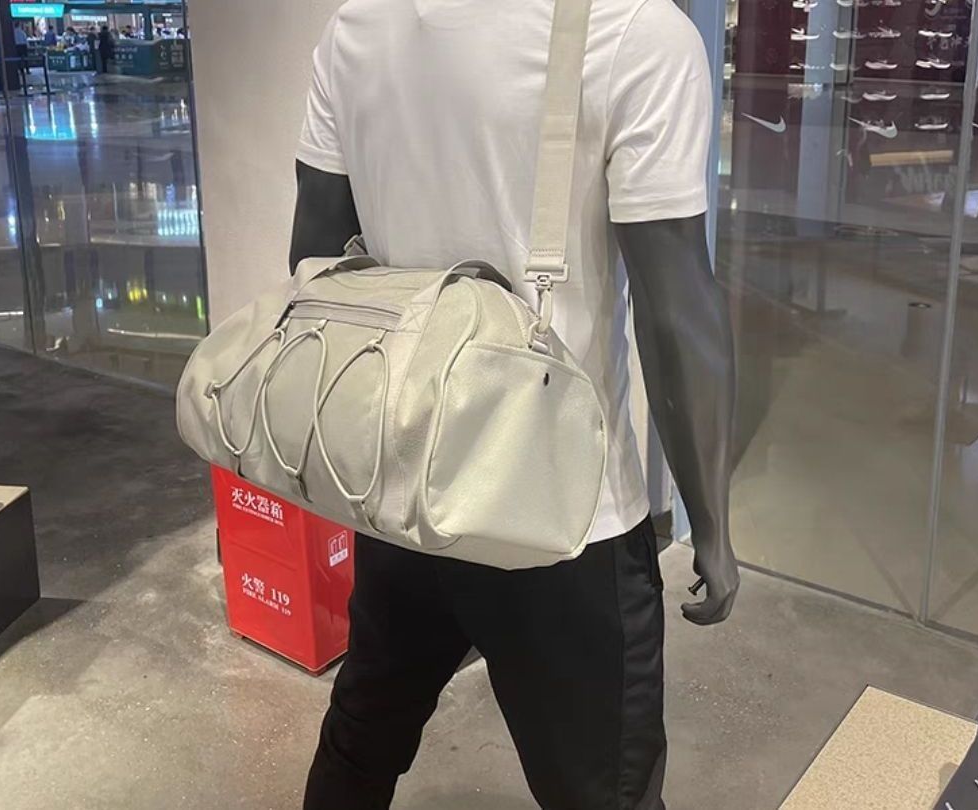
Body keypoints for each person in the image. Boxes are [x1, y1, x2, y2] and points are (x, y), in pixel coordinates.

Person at [290, 1, 740, 809]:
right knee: (608, 790)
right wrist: (710, 522)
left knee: (362, 737)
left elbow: (314, 264)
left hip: (402, 480)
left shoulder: (358, 25)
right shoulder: (636, 32)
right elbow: (679, 315)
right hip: (562, 516)